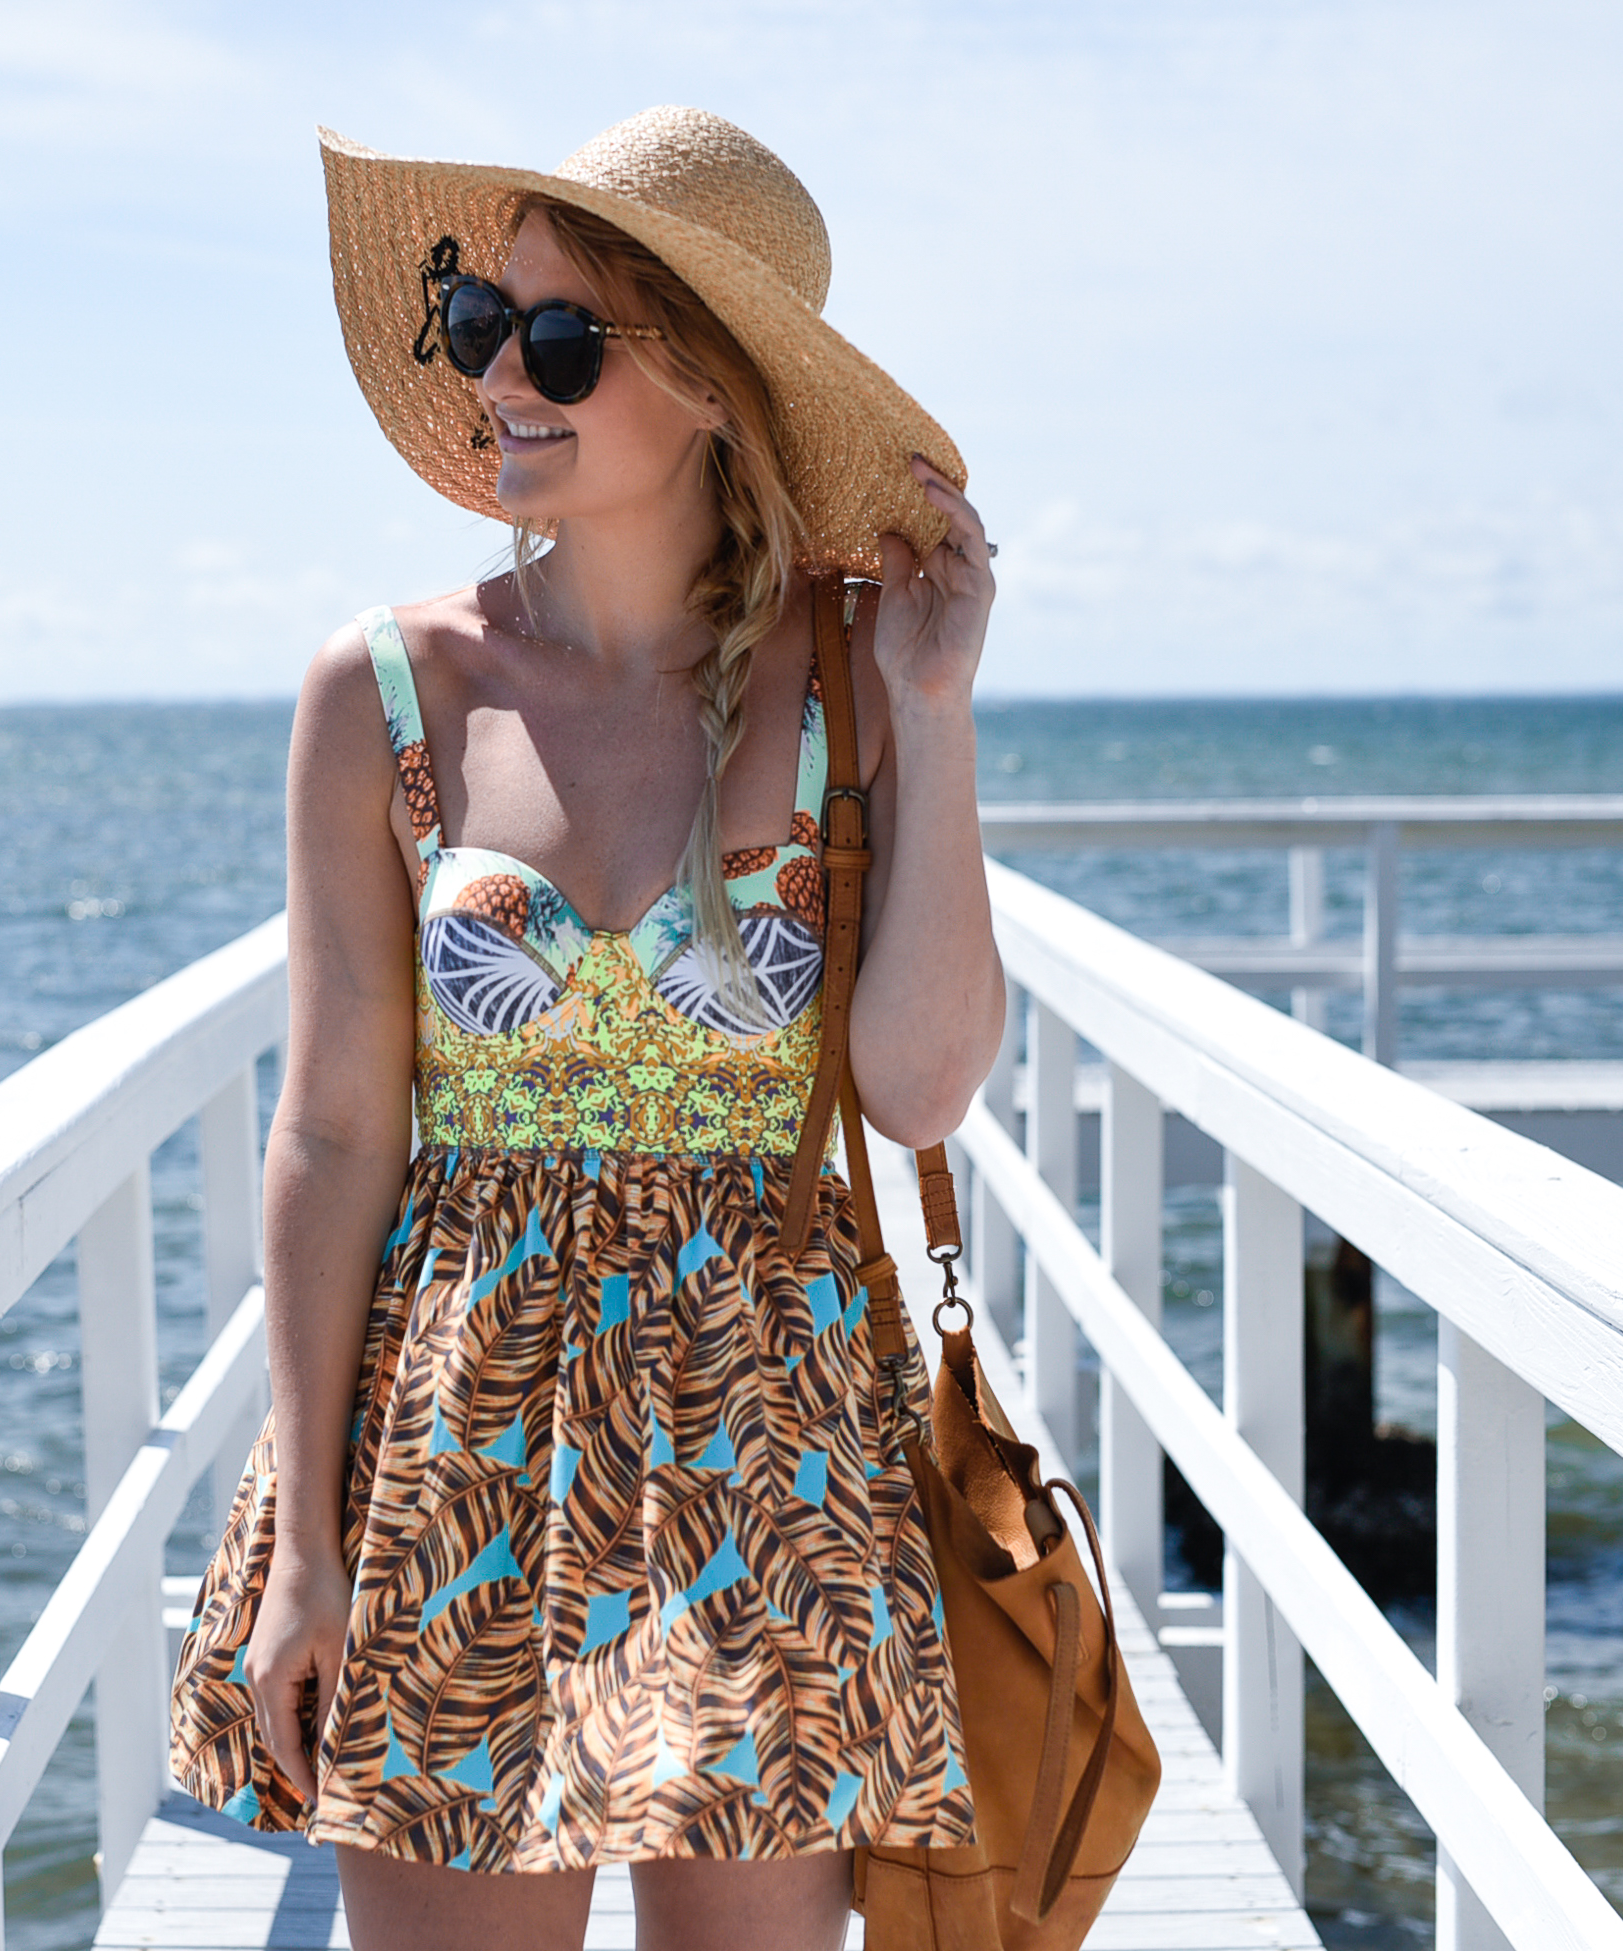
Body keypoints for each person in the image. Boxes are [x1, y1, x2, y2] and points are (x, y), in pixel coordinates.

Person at [172, 106, 1005, 1951]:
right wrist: (305, 1539)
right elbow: (330, 1133)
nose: (501, 381)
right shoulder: (387, 688)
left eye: (559, 341)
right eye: (483, 325)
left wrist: (935, 722)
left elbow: (920, 1085)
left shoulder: (859, 675)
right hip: (447, 1434)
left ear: (713, 386)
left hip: (765, 1443)